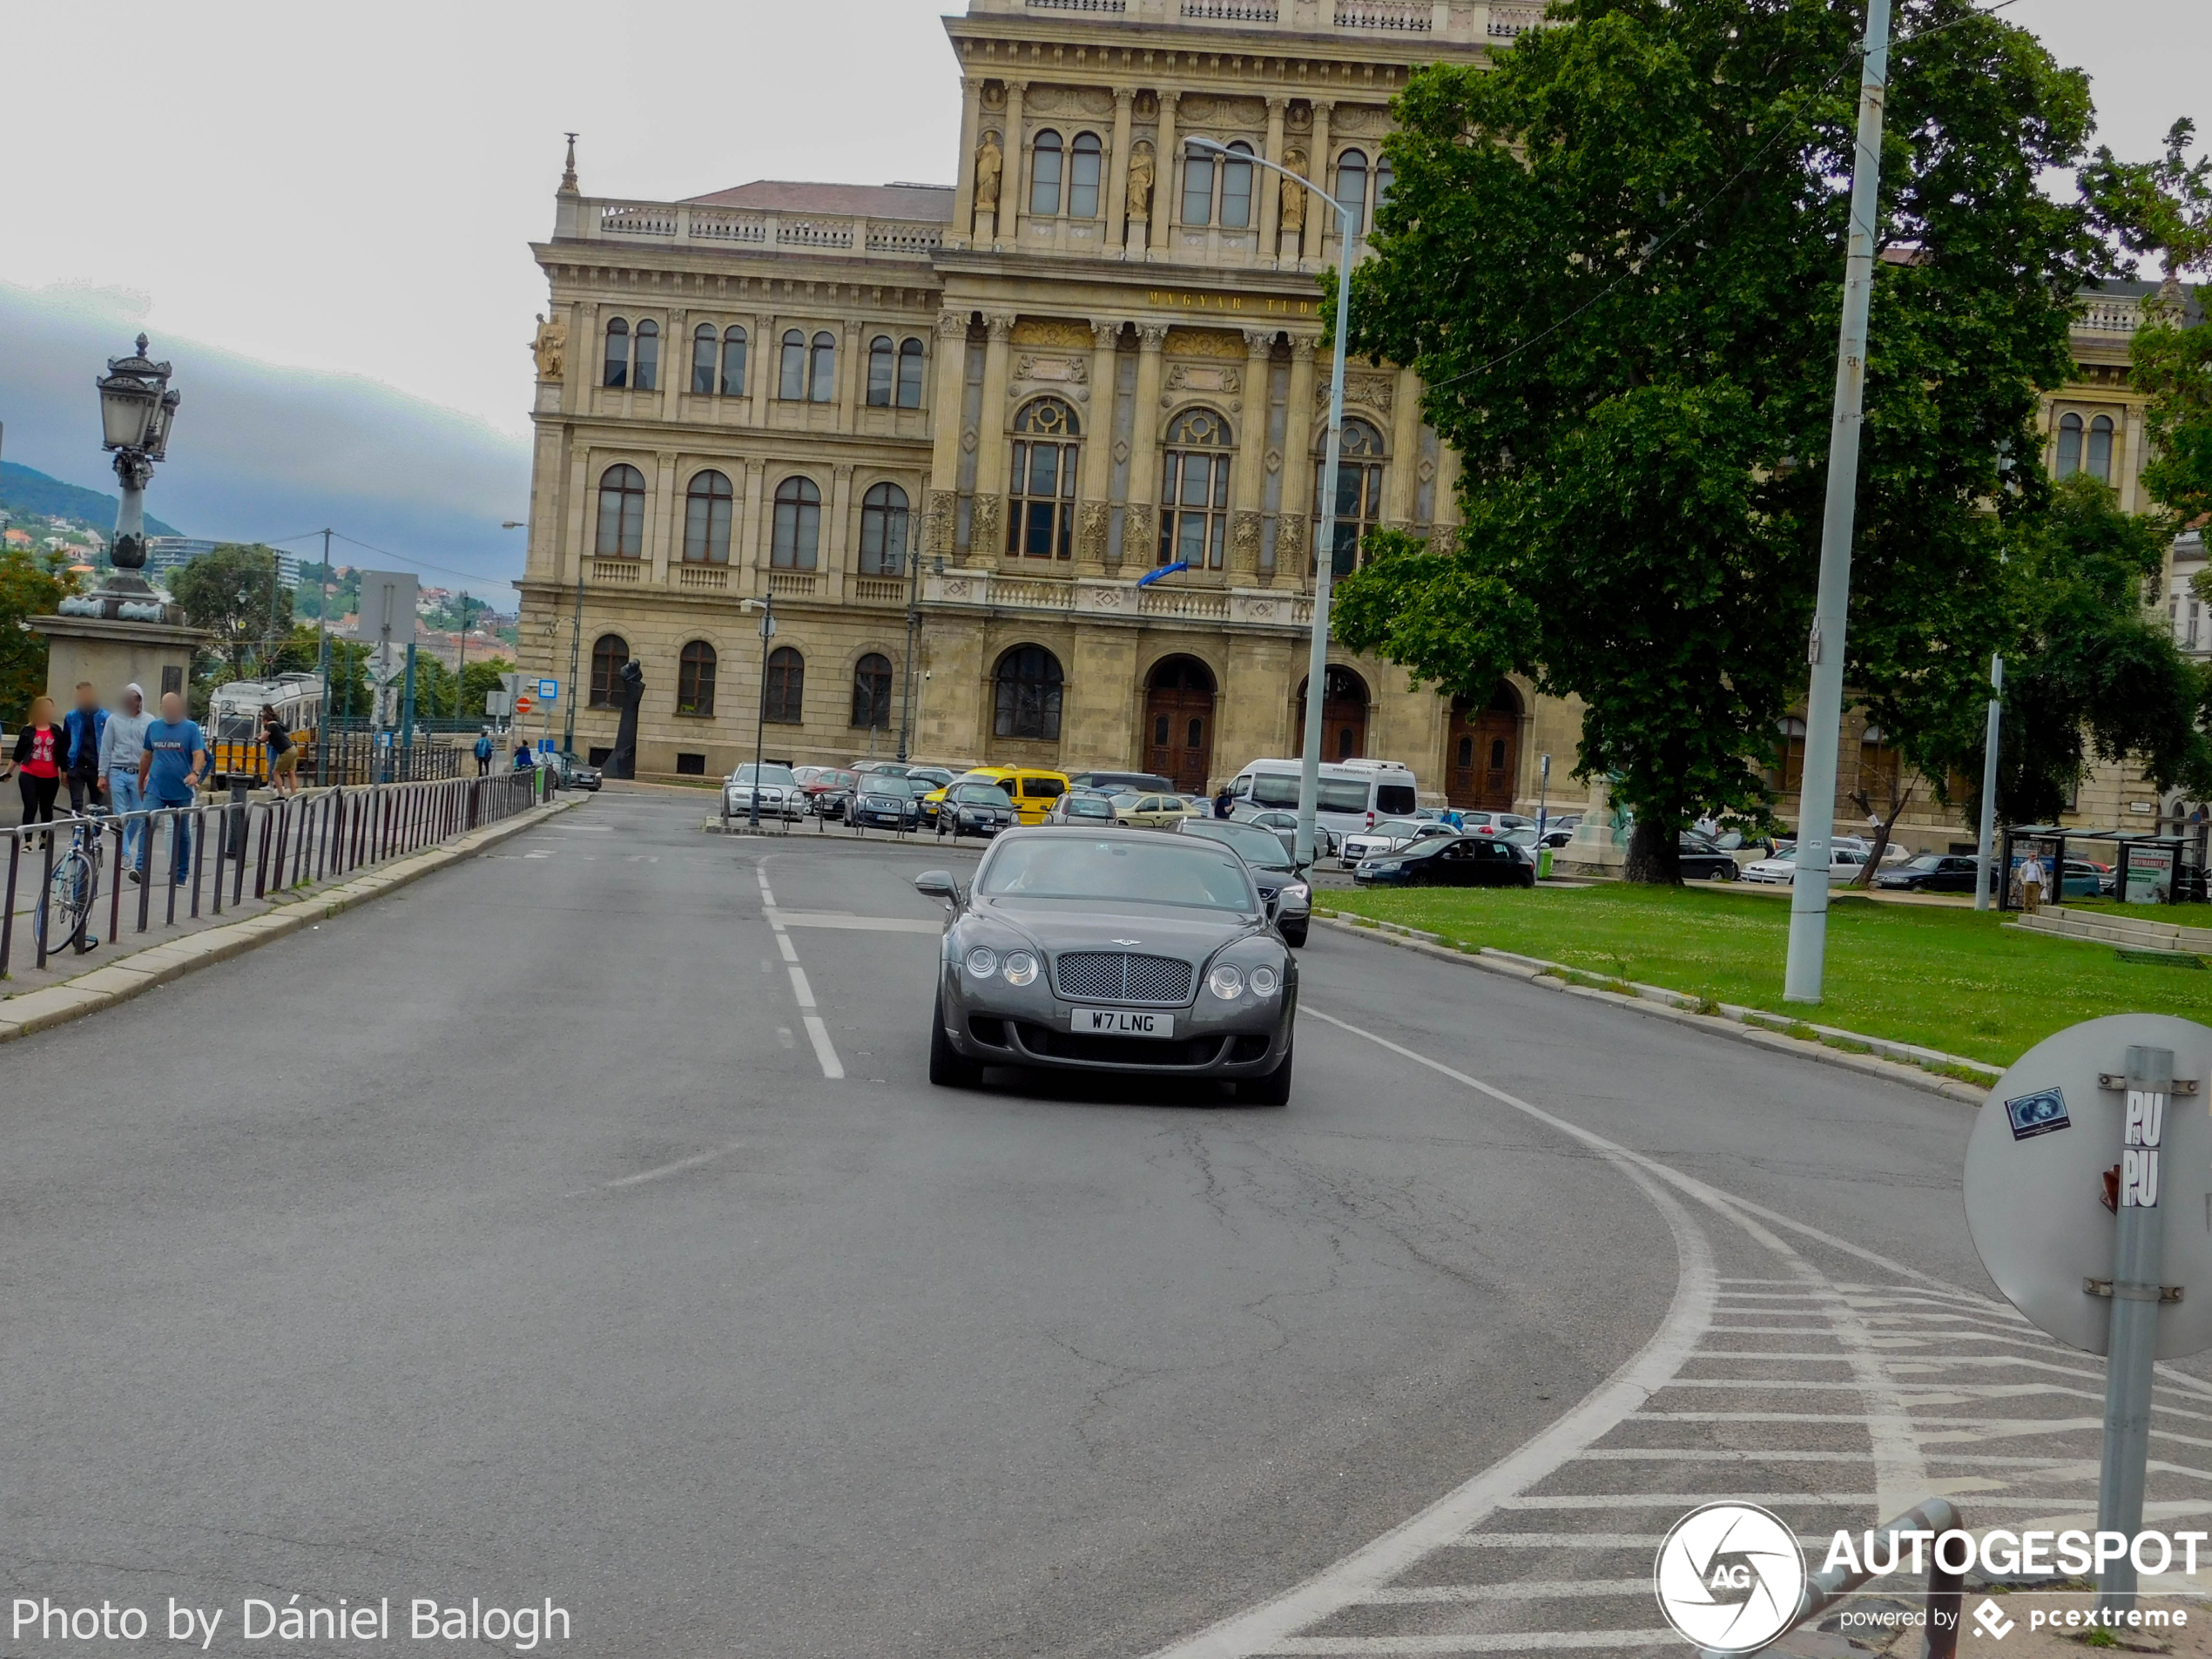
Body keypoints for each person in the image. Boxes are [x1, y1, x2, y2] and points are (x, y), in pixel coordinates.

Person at [138, 691, 208, 887]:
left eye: (175, 707)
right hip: (156, 787)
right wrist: (140, 782)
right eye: (167, 708)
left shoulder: (191, 729)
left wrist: (195, 773)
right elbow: (146, 756)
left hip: (182, 788)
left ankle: (180, 874)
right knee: (147, 822)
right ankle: (140, 867)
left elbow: (199, 754)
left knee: (181, 831)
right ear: (162, 708)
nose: (171, 711)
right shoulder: (153, 727)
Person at [100, 684, 153, 881]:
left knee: (138, 815)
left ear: (140, 700)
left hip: (139, 772)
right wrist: (102, 774)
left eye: (135, 697)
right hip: (118, 770)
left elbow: (152, 749)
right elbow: (106, 748)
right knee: (120, 814)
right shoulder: (113, 720)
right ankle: (124, 854)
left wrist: (150, 773)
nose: (131, 701)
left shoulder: (149, 721)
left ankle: (124, 844)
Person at [5, 695, 67, 846]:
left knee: (47, 808)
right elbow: (17, 754)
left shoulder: (56, 730)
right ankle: (27, 840)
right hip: (29, 773)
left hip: (50, 775)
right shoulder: (28, 730)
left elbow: (62, 753)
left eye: (50, 708)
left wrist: (64, 772)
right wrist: (8, 771)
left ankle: (44, 837)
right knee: (30, 806)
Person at [63, 681, 108, 814]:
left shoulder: (105, 717)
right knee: (76, 802)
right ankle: (76, 830)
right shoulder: (71, 717)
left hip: (96, 765)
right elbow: (65, 741)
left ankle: (96, 833)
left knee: (97, 803)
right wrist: (64, 768)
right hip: (76, 764)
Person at [261, 703, 300, 798]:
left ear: (265, 720)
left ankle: (281, 795)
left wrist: (258, 738)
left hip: (286, 751)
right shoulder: (276, 723)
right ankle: (294, 795)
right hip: (293, 748)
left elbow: (263, 738)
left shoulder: (271, 725)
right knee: (291, 773)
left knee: (276, 772)